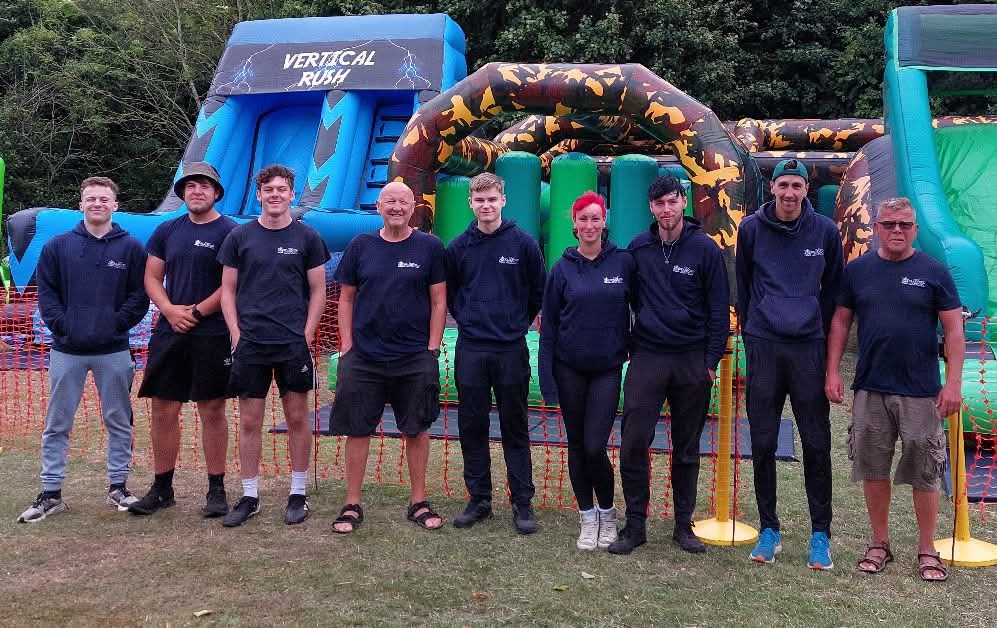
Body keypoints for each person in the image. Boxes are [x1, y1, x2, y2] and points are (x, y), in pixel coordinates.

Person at [825, 197, 962, 582]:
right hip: (871, 386)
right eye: (889, 224)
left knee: (925, 470)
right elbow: (840, 322)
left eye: (904, 224)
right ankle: (879, 543)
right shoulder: (858, 271)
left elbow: (953, 330)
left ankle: (927, 548)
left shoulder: (935, 272)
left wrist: (952, 383)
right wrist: (831, 372)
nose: (897, 231)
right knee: (872, 467)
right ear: (878, 229)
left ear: (915, 229)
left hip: (921, 391)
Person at [608, 175, 729, 555]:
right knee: (633, 442)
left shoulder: (705, 250)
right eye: (659, 204)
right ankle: (636, 525)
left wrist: (709, 362)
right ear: (651, 207)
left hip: (692, 361)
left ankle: (682, 525)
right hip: (648, 358)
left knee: (687, 447)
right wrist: (628, 345)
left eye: (672, 202)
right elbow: (621, 299)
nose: (666, 210)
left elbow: (717, 309)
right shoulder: (638, 248)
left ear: (683, 203)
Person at [18, 176, 149, 522]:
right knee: (57, 422)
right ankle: (50, 493)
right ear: (81, 204)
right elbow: (47, 294)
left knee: (118, 420)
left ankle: (119, 487)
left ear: (115, 205)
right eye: (91, 198)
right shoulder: (58, 246)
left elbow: (140, 295)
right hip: (66, 350)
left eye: (104, 199)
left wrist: (116, 324)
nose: (97, 204)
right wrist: (64, 326)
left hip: (114, 350)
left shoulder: (131, 248)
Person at [735, 158, 844, 569]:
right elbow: (743, 286)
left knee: (816, 443)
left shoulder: (825, 231)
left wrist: (813, 324)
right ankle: (769, 529)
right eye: (783, 185)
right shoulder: (750, 230)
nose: (789, 193)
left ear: (806, 190)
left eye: (797, 186)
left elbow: (833, 290)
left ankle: (820, 535)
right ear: (772, 188)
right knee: (762, 441)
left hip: (807, 348)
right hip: (763, 345)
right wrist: (753, 330)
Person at [329, 181, 447, 534]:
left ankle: (418, 500)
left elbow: (440, 301)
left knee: (417, 429)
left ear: (414, 208)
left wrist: (432, 347)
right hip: (363, 357)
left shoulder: (430, 247)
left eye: (403, 202)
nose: (396, 207)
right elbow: (345, 298)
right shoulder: (360, 246)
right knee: (358, 429)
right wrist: (347, 344)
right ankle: (352, 503)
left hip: (413, 357)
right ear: (378, 206)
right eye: (390, 201)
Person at [217, 164, 329, 527]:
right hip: (251, 344)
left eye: (282, 189)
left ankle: (298, 493)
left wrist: (307, 333)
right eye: (269, 190)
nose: (276, 195)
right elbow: (228, 292)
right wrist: (235, 332)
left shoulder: (308, 238)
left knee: (297, 418)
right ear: (259, 195)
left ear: (291, 194)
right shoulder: (239, 237)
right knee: (250, 422)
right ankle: (249, 495)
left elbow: (318, 291)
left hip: (291, 344)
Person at [129, 163, 238, 517]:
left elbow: (231, 285)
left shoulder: (231, 232)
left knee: (212, 409)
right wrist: (169, 310)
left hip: (212, 331)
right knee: (163, 408)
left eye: (204, 186)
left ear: (216, 192)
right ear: (182, 193)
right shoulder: (166, 230)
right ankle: (162, 489)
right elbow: (151, 276)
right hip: (169, 330)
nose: (197, 191)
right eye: (190, 186)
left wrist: (195, 312)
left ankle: (216, 490)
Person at [445, 172, 546, 534]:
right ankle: (479, 499)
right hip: (471, 347)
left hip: (510, 349)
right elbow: (452, 295)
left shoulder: (524, 245)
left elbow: (537, 293)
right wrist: (471, 320)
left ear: (503, 200)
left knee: (514, 425)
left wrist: (514, 322)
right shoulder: (458, 248)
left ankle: (522, 502)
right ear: (470, 203)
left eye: (492, 199)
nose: (486, 206)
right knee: (472, 425)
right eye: (479, 200)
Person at [540, 191, 634, 549]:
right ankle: (587, 517)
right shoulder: (561, 269)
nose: (590, 226)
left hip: (607, 369)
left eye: (596, 219)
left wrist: (634, 349)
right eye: (584, 219)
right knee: (577, 445)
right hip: (569, 369)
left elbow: (641, 308)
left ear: (604, 222)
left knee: (595, 446)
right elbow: (548, 328)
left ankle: (608, 514)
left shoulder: (622, 263)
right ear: (574, 224)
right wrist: (547, 378)